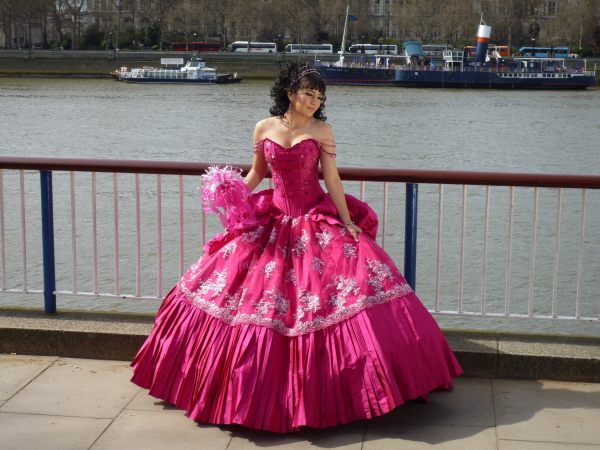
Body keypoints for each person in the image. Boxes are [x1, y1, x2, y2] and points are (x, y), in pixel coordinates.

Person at [131, 62, 462, 433]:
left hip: (312, 218)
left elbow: (332, 177)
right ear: (290, 93)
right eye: (308, 93)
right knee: (237, 288)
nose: (313, 101)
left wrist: (347, 219)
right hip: (273, 218)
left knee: (342, 288)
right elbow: (257, 173)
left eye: (319, 96)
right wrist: (231, 190)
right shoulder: (264, 127)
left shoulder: (322, 130)